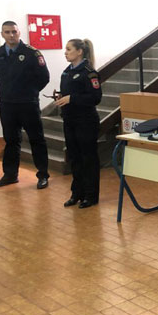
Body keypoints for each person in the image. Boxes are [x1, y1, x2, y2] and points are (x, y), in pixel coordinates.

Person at [0, 21, 50, 189]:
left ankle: (43, 175)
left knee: (36, 139)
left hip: (27, 103)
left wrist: (30, 92)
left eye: (14, 32)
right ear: (2, 34)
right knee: (11, 140)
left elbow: (44, 77)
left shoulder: (32, 53)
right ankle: (10, 175)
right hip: (7, 104)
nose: (11, 35)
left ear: (19, 33)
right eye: (7, 32)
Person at [55, 39, 102, 209]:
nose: (65, 52)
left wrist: (72, 98)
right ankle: (77, 193)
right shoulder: (66, 72)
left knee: (88, 159)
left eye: (69, 49)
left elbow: (95, 97)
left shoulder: (89, 73)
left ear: (79, 51)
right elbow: (69, 93)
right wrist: (62, 98)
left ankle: (91, 195)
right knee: (75, 158)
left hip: (85, 121)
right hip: (70, 120)